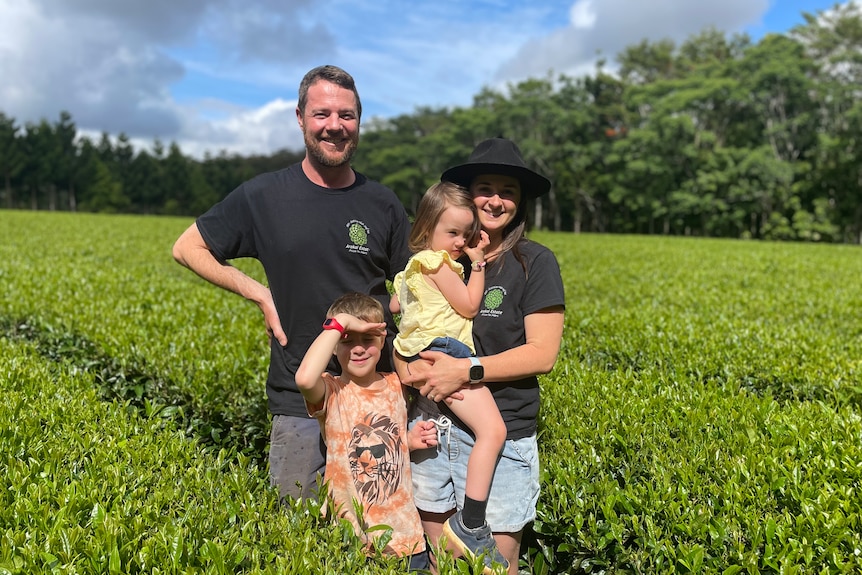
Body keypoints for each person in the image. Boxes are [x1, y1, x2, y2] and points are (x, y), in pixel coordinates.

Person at [172, 65, 412, 501]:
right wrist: (258, 292)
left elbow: (410, 290)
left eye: (347, 115)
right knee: (298, 532)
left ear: (359, 121)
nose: (335, 127)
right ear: (300, 118)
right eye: (322, 114)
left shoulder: (383, 203)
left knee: (375, 537)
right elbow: (188, 247)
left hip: (373, 398)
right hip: (298, 399)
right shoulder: (263, 196)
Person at [398, 138, 566, 575]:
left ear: (520, 200)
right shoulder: (439, 260)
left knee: (495, 567)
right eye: (485, 187)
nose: (495, 199)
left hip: (502, 434)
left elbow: (543, 354)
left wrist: (466, 370)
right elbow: (405, 325)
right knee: (437, 563)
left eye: (507, 190)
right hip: (433, 430)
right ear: (465, 197)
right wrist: (407, 367)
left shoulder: (534, 262)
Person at [390, 181, 508, 572]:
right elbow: (471, 305)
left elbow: (397, 306)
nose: (460, 241)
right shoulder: (439, 264)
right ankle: (471, 523)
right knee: (494, 432)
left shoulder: (410, 270)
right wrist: (478, 264)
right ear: (426, 231)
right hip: (448, 352)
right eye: (452, 233)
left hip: (421, 351)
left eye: (466, 234)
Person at [295, 293, 438, 571]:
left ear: (382, 340)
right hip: (352, 540)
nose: (358, 348)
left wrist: (406, 441)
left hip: (407, 538)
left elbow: (383, 445)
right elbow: (303, 378)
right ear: (334, 347)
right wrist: (341, 323)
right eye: (347, 340)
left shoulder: (398, 384)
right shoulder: (331, 391)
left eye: (367, 339)